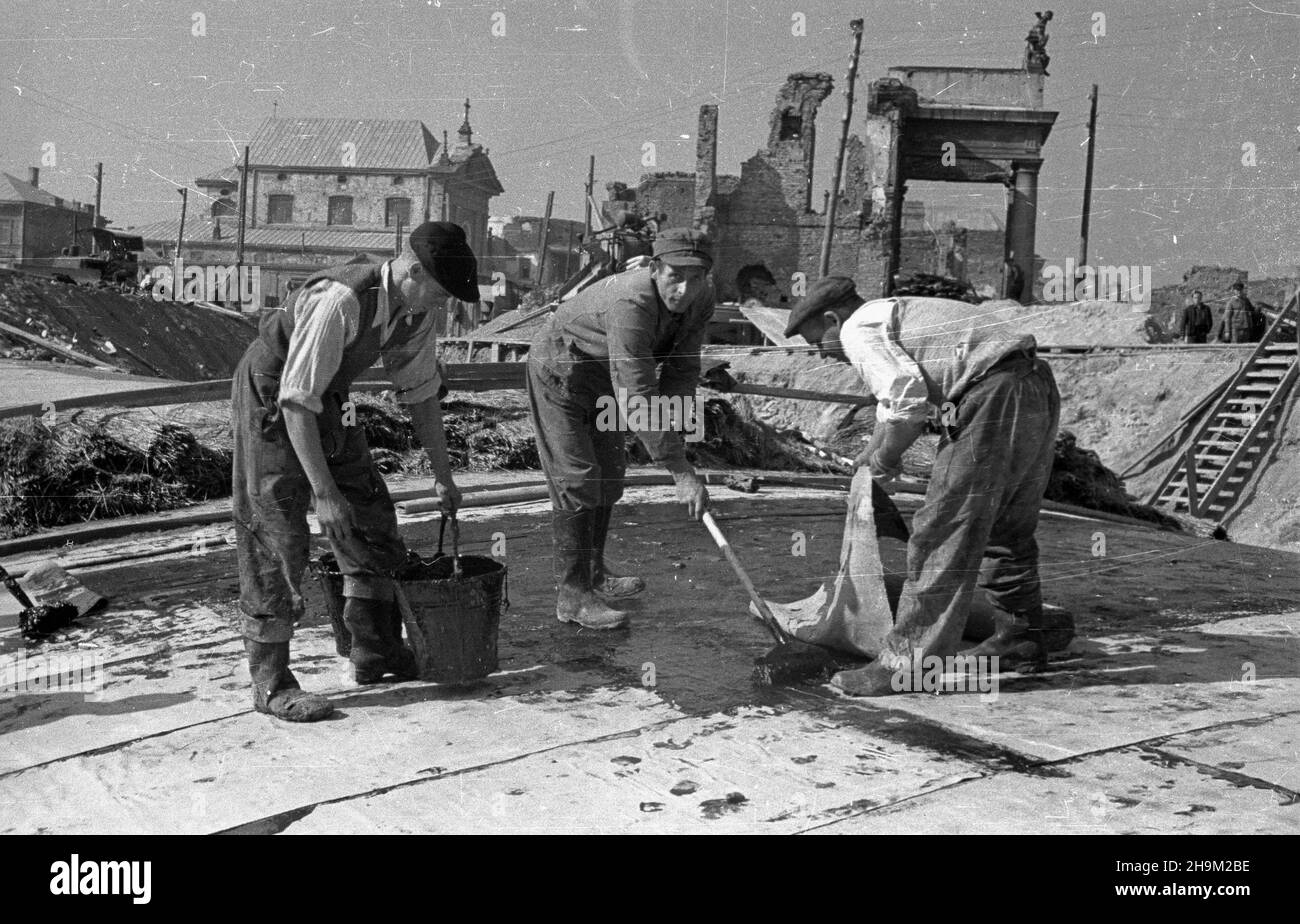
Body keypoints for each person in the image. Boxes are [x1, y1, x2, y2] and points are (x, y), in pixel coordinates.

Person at [231, 222, 474, 722]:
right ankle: (272, 684)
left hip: (329, 395)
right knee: (278, 530)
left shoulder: (415, 311)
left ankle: (376, 651)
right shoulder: (341, 299)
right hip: (274, 392)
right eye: (439, 291)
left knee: (370, 512)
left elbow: (421, 393)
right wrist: (322, 493)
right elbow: (296, 402)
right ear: (410, 271)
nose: (443, 304)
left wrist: (444, 475)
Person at [783, 276, 1068, 696]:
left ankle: (907, 665)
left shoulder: (857, 328)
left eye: (818, 342)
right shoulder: (895, 314)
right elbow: (893, 407)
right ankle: (1020, 639)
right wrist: (873, 454)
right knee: (1007, 527)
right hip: (1032, 384)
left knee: (941, 531)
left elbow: (906, 404)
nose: (825, 354)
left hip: (990, 396)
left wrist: (884, 458)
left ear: (832, 318)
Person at [526, 228, 715, 630]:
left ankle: (594, 574)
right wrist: (680, 472)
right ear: (654, 268)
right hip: (562, 372)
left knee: (610, 475)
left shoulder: (702, 299)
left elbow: (682, 369)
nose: (684, 289)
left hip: (607, 380)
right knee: (577, 477)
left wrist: (676, 440)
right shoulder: (632, 302)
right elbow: (638, 396)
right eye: (674, 276)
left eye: (695, 278)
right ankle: (573, 596)